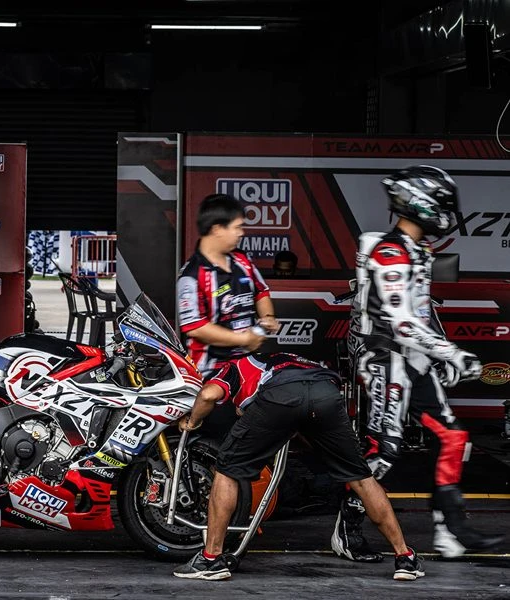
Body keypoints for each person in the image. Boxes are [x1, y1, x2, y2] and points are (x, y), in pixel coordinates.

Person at [331, 165, 503, 562]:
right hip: (385, 360)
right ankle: (347, 527)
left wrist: (440, 353)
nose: (447, 213)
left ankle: (450, 531)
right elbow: (401, 323)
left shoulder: (416, 250)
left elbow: (421, 313)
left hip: (415, 358)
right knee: (384, 451)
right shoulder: (389, 252)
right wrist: (451, 353)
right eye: (442, 204)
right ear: (421, 204)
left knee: (453, 437)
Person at [173, 352, 424, 582]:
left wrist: (192, 421)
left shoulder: (236, 366)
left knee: (227, 470)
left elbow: (208, 395)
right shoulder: (301, 361)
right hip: (326, 392)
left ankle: (211, 559)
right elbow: (303, 412)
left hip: (279, 396)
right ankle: (405, 557)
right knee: (361, 478)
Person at [176, 194, 278, 379]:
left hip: (248, 363)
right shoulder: (191, 275)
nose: (241, 233)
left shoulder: (242, 260)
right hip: (210, 370)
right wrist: (244, 339)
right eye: (237, 227)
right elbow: (195, 327)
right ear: (217, 229)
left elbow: (261, 292)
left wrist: (268, 317)